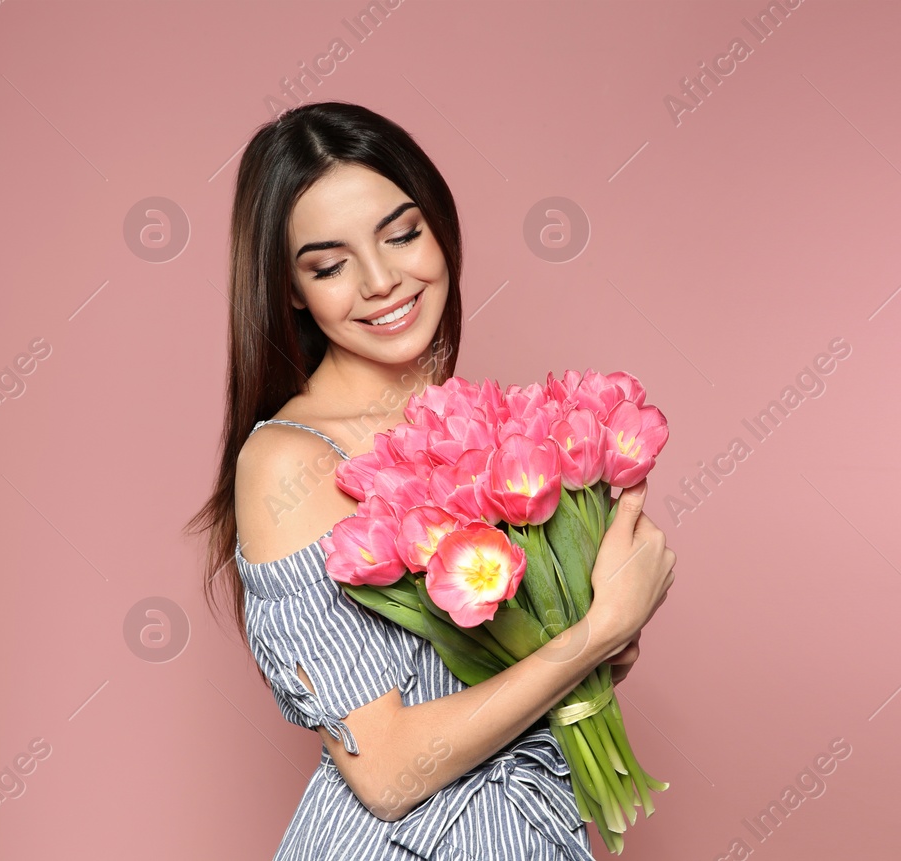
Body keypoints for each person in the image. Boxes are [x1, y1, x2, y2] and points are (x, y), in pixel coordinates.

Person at [186, 101, 675, 860]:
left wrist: (598, 624)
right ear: (292, 290)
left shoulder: (474, 429)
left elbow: (537, 667)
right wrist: (597, 630)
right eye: (329, 265)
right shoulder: (290, 459)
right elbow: (383, 772)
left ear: (439, 227)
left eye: (402, 234)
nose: (381, 281)